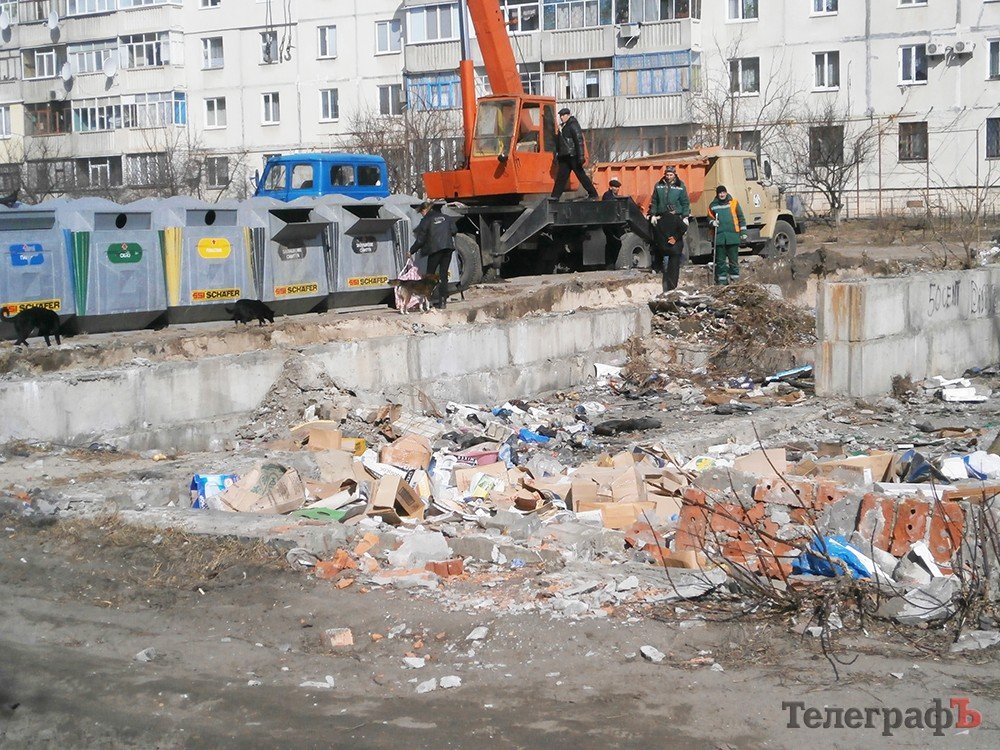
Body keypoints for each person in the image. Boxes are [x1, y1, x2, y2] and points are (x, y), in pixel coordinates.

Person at [409, 201, 457, 308]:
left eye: (421, 212)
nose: (421, 214)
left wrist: (411, 251)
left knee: (429, 276)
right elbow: (454, 231)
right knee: (443, 275)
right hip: (448, 249)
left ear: (425, 210)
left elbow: (420, 240)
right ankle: (443, 301)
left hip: (435, 250)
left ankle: (428, 301)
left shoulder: (426, 220)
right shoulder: (447, 217)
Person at [550, 107, 598, 200]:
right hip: (564, 156)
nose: (561, 117)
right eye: (560, 116)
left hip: (573, 155)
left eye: (563, 115)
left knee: (581, 175)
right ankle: (554, 197)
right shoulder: (563, 126)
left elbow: (579, 141)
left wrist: (581, 156)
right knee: (561, 177)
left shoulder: (573, 125)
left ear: (568, 115)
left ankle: (593, 194)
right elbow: (560, 143)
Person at [708, 185, 747, 285]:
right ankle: (722, 282)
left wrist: (743, 233)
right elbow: (709, 218)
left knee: (733, 261)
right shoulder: (712, 205)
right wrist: (712, 222)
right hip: (720, 238)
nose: (722, 195)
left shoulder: (734, 203)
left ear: (726, 193)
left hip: (733, 236)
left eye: (723, 192)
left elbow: (741, 218)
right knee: (720, 262)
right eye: (720, 193)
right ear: (717, 194)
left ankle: (735, 282)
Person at [601, 178, 624, 266]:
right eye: (615, 187)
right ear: (610, 187)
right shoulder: (607, 195)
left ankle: (611, 263)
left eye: (618, 187)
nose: (617, 189)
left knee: (615, 243)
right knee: (612, 244)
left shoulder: (614, 196)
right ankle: (610, 263)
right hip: (609, 224)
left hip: (613, 224)